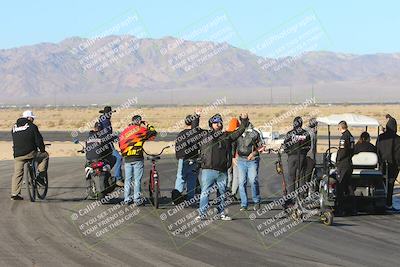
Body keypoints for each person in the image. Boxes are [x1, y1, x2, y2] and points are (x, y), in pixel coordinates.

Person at [197, 113, 250, 221]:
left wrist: (244, 120)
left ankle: (221, 213)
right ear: (211, 124)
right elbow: (195, 129)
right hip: (208, 169)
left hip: (222, 171)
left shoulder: (226, 136)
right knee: (205, 193)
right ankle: (202, 214)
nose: (218, 124)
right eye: (216, 122)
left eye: (220, 122)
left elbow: (239, 131)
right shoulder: (205, 135)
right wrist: (197, 116)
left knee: (222, 193)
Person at [11, 110, 49, 200]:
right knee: (45, 156)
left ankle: (15, 194)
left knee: (17, 173)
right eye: (32, 118)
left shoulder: (14, 128)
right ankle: (40, 177)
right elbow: (39, 140)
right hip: (30, 153)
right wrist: (42, 149)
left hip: (18, 155)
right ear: (29, 118)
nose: (33, 120)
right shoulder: (32, 127)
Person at [119, 115, 157, 205]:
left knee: (128, 179)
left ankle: (126, 199)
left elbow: (120, 142)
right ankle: (137, 199)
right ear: (139, 122)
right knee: (137, 179)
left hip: (127, 158)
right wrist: (148, 125)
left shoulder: (124, 131)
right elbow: (153, 133)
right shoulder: (141, 130)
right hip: (137, 158)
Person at [173, 111, 202, 203]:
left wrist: (179, 157)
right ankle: (190, 198)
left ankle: (177, 197)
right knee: (192, 179)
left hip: (183, 159)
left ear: (186, 123)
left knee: (180, 178)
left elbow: (177, 148)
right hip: (194, 158)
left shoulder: (181, 134)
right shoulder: (197, 133)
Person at [236, 122, 264, 211]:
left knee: (253, 180)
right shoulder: (237, 133)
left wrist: (253, 153)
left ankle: (256, 201)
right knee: (241, 183)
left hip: (252, 160)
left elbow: (261, 147)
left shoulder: (255, 133)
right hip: (240, 160)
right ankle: (244, 204)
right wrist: (233, 157)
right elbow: (233, 145)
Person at [283, 117, 311, 202]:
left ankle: (291, 196)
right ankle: (302, 195)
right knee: (302, 176)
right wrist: (304, 152)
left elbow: (285, 146)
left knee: (291, 177)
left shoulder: (290, 133)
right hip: (302, 156)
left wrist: (289, 153)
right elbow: (309, 146)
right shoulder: (305, 133)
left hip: (292, 157)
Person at [376, 116, 400, 210]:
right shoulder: (398, 139)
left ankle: (380, 202)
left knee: (382, 183)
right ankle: (388, 203)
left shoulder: (381, 137)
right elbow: (398, 154)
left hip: (382, 164)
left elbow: (376, 150)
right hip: (393, 165)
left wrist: (379, 161)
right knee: (391, 184)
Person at [98, 106, 124, 187]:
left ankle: (109, 176)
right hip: (107, 145)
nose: (110, 115)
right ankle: (117, 178)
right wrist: (116, 137)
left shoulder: (101, 120)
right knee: (118, 158)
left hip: (101, 145)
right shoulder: (106, 122)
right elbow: (107, 135)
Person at [336, 120, 356, 215]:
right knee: (349, 186)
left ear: (340, 127)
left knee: (340, 186)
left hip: (343, 164)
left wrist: (338, 160)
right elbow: (353, 150)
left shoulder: (344, 137)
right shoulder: (351, 136)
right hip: (349, 163)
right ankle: (352, 208)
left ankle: (340, 209)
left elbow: (342, 151)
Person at [226, 118, 240, 199]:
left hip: (228, 157)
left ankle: (228, 191)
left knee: (229, 175)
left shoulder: (226, 134)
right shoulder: (238, 134)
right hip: (236, 157)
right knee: (236, 176)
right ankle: (233, 193)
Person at [304, 118, 318, 183]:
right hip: (309, 155)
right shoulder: (310, 132)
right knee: (308, 173)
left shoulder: (313, 132)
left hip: (311, 155)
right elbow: (311, 146)